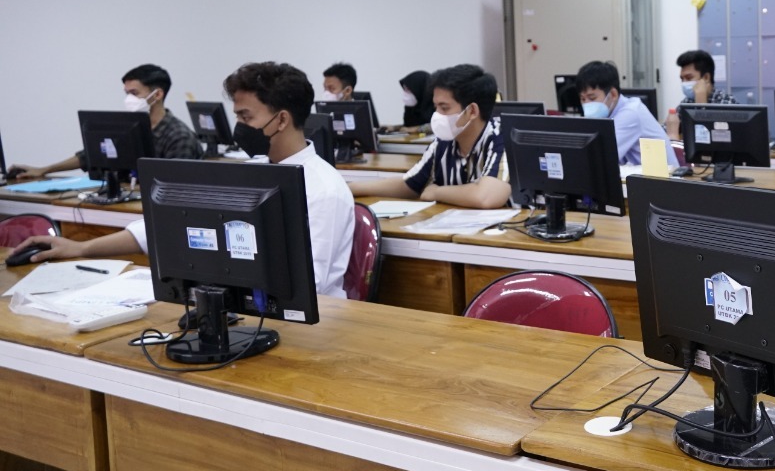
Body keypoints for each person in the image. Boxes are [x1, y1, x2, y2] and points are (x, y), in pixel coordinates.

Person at [14, 62, 355, 298]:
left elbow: (309, 285)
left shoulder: (323, 190)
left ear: (281, 120)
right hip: (242, 310)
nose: (238, 126)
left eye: (245, 116)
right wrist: (81, 248)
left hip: (310, 331)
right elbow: (167, 222)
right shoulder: (250, 172)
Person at [349, 64, 509, 209]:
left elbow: (486, 196)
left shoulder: (501, 138)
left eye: (444, 108)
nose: (437, 115)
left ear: (472, 111)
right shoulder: (443, 142)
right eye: (435, 107)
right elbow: (410, 184)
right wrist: (351, 188)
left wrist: (436, 192)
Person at [10, 64, 202, 180]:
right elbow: (90, 155)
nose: (129, 99)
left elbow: (175, 186)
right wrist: (44, 170)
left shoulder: (179, 136)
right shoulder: (129, 127)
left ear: (157, 95)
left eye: (134, 93)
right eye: (126, 93)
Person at [576, 61, 677, 167]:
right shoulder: (608, 115)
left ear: (613, 94)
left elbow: (600, 158)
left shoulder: (631, 113)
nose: (586, 104)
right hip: (640, 174)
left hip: (665, 176)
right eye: (583, 99)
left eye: (592, 98)